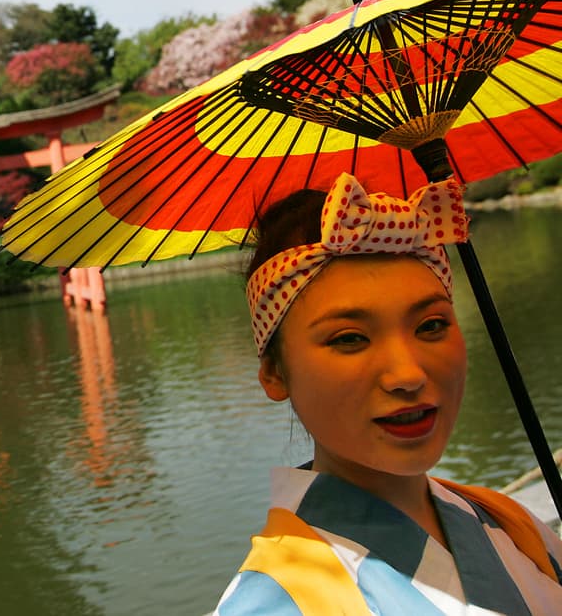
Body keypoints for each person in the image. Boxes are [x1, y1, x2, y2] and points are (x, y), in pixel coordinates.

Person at [214, 171, 562, 614]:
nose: (408, 374)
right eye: (349, 338)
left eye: (431, 325)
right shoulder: (280, 601)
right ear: (274, 373)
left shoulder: (511, 524)